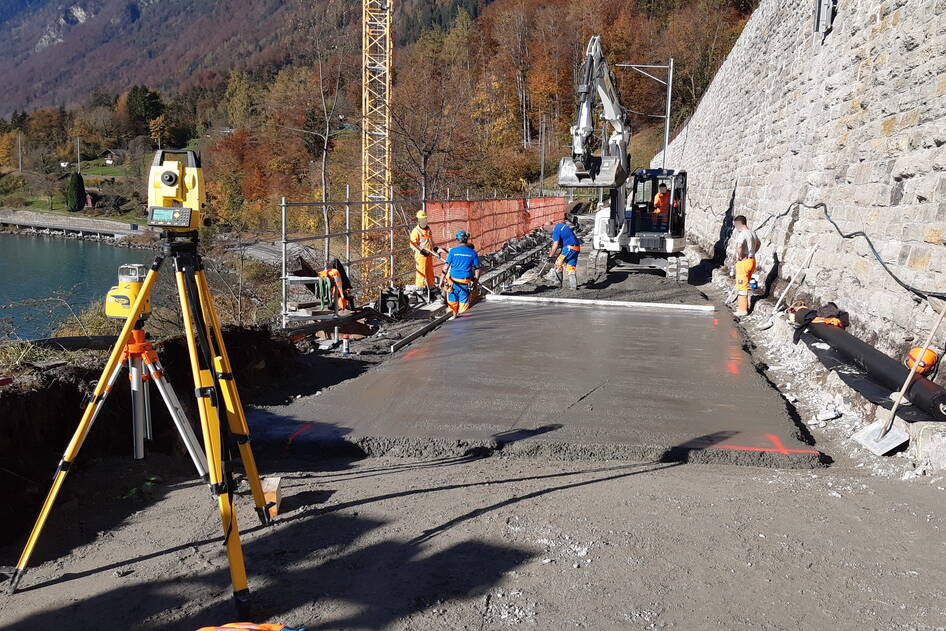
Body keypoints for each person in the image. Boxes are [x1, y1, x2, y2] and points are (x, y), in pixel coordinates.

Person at [442, 230, 481, 319]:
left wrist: (441, 281)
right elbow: (477, 270)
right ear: (467, 240)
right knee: (464, 309)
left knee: (452, 306)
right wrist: (475, 282)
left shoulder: (453, 251)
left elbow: (445, 268)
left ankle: (453, 317)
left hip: (452, 283)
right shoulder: (472, 253)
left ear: (457, 240)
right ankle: (463, 323)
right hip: (464, 283)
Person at [409, 211, 444, 294]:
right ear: (418, 220)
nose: (424, 220)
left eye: (425, 218)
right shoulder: (416, 231)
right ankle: (420, 288)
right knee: (421, 271)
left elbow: (430, 241)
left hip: (429, 254)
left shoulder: (428, 229)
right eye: (422, 219)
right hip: (421, 255)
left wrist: (435, 249)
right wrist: (421, 250)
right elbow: (413, 244)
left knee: (429, 271)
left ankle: (431, 286)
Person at [732, 215, 760, 317]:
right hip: (752, 261)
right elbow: (758, 244)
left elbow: (739, 246)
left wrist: (741, 256)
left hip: (744, 263)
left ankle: (742, 310)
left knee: (742, 286)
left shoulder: (743, 233)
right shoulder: (752, 233)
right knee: (745, 285)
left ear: (739, 224)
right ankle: (744, 306)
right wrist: (752, 253)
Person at [546, 218, 581, 290]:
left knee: (557, 264)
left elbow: (555, 244)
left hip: (569, 248)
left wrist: (550, 256)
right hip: (576, 248)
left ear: (550, 226)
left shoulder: (556, 231)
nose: (548, 231)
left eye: (547, 229)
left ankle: (557, 285)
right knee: (571, 267)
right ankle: (573, 286)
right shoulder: (561, 226)